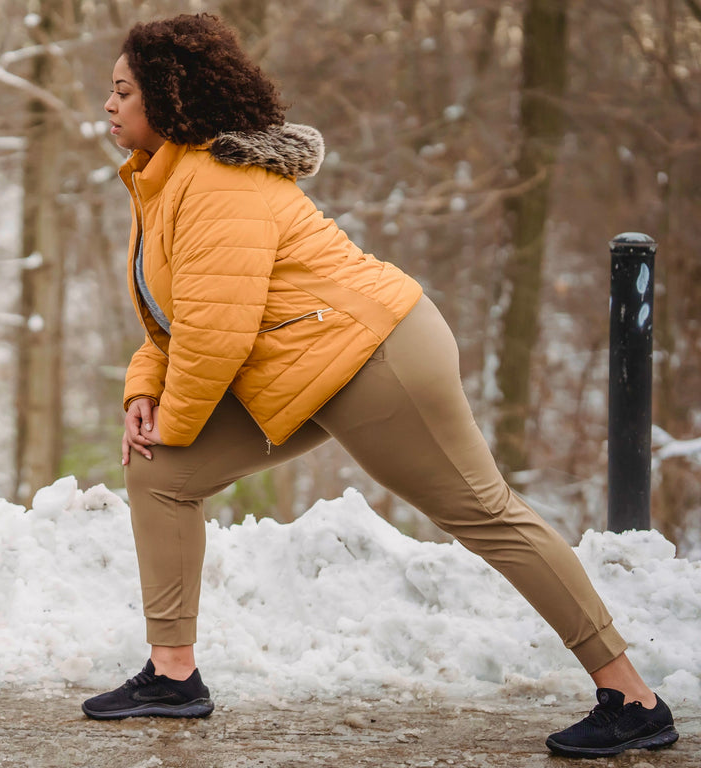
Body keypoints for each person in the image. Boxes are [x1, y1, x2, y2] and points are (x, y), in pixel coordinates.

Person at [82, 13, 679, 759]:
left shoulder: (213, 184)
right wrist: (146, 392)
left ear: (167, 100)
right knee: (163, 475)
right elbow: (172, 321)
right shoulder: (162, 183)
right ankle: (173, 677)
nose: (109, 106)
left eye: (122, 91)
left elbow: (216, 335)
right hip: (304, 365)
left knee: (483, 513)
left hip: (377, 356)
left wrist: (175, 414)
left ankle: (632, 696)